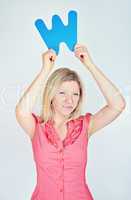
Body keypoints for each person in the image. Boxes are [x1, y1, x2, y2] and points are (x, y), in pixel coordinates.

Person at [15, 44, 126, 200]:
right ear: (51, 95)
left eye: (75, 94)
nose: (69, 100)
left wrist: (90, 64)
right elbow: (21, 111)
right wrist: (45, 69)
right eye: (62, 93)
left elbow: (118, 105)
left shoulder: (86, 126)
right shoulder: (36, 127)